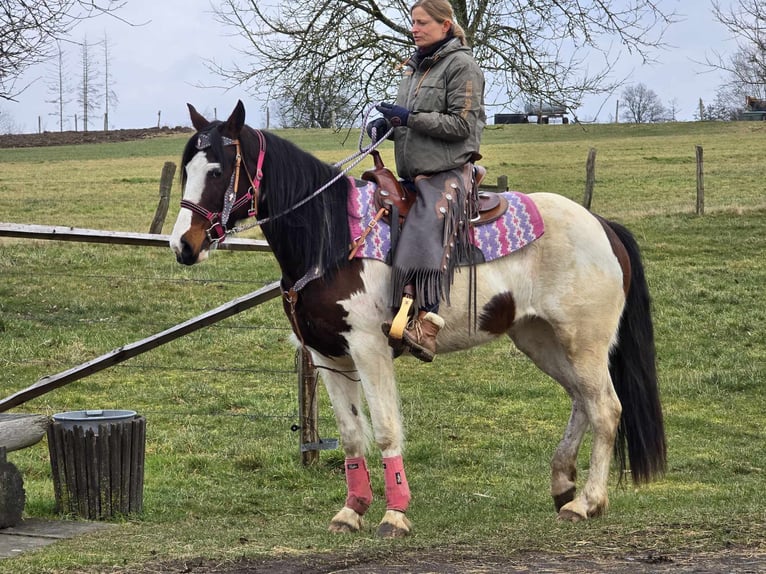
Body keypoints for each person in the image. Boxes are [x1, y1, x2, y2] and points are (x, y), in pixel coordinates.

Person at [367, 0, 486, 362]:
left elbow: (463, 127)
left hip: (447, 172)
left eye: (421, 23)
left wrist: (410, 118)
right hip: (411, 174)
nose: (414, 29)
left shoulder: (462, 66)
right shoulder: (414, 67)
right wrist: (388, 127)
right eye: (412, 23)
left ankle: (426, 323)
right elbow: (413, 122)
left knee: (423, 227)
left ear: (445, 25)